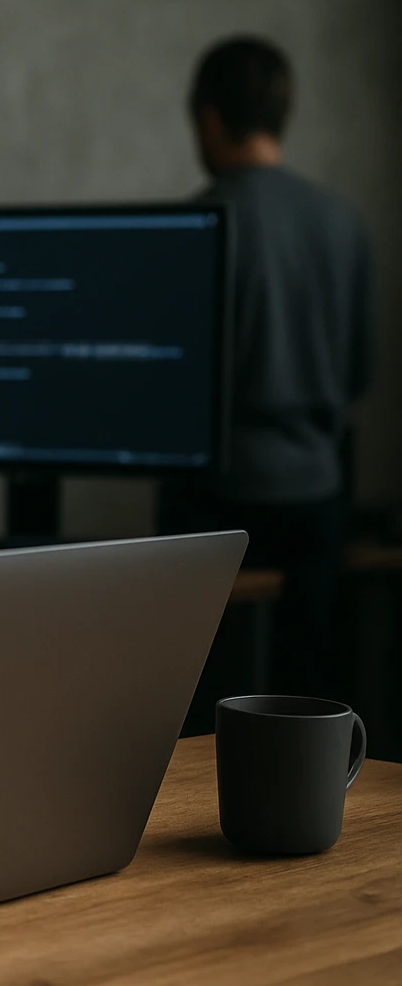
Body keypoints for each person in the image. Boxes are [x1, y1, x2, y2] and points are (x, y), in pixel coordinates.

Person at [162, 35, 375, 704]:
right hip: (317, 495)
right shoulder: (344, 223)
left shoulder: (197, 224)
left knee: (200, 694)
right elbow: (361, 370)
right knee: (306, 694)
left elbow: (169, 388)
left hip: (213, 503)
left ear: (210, 119)